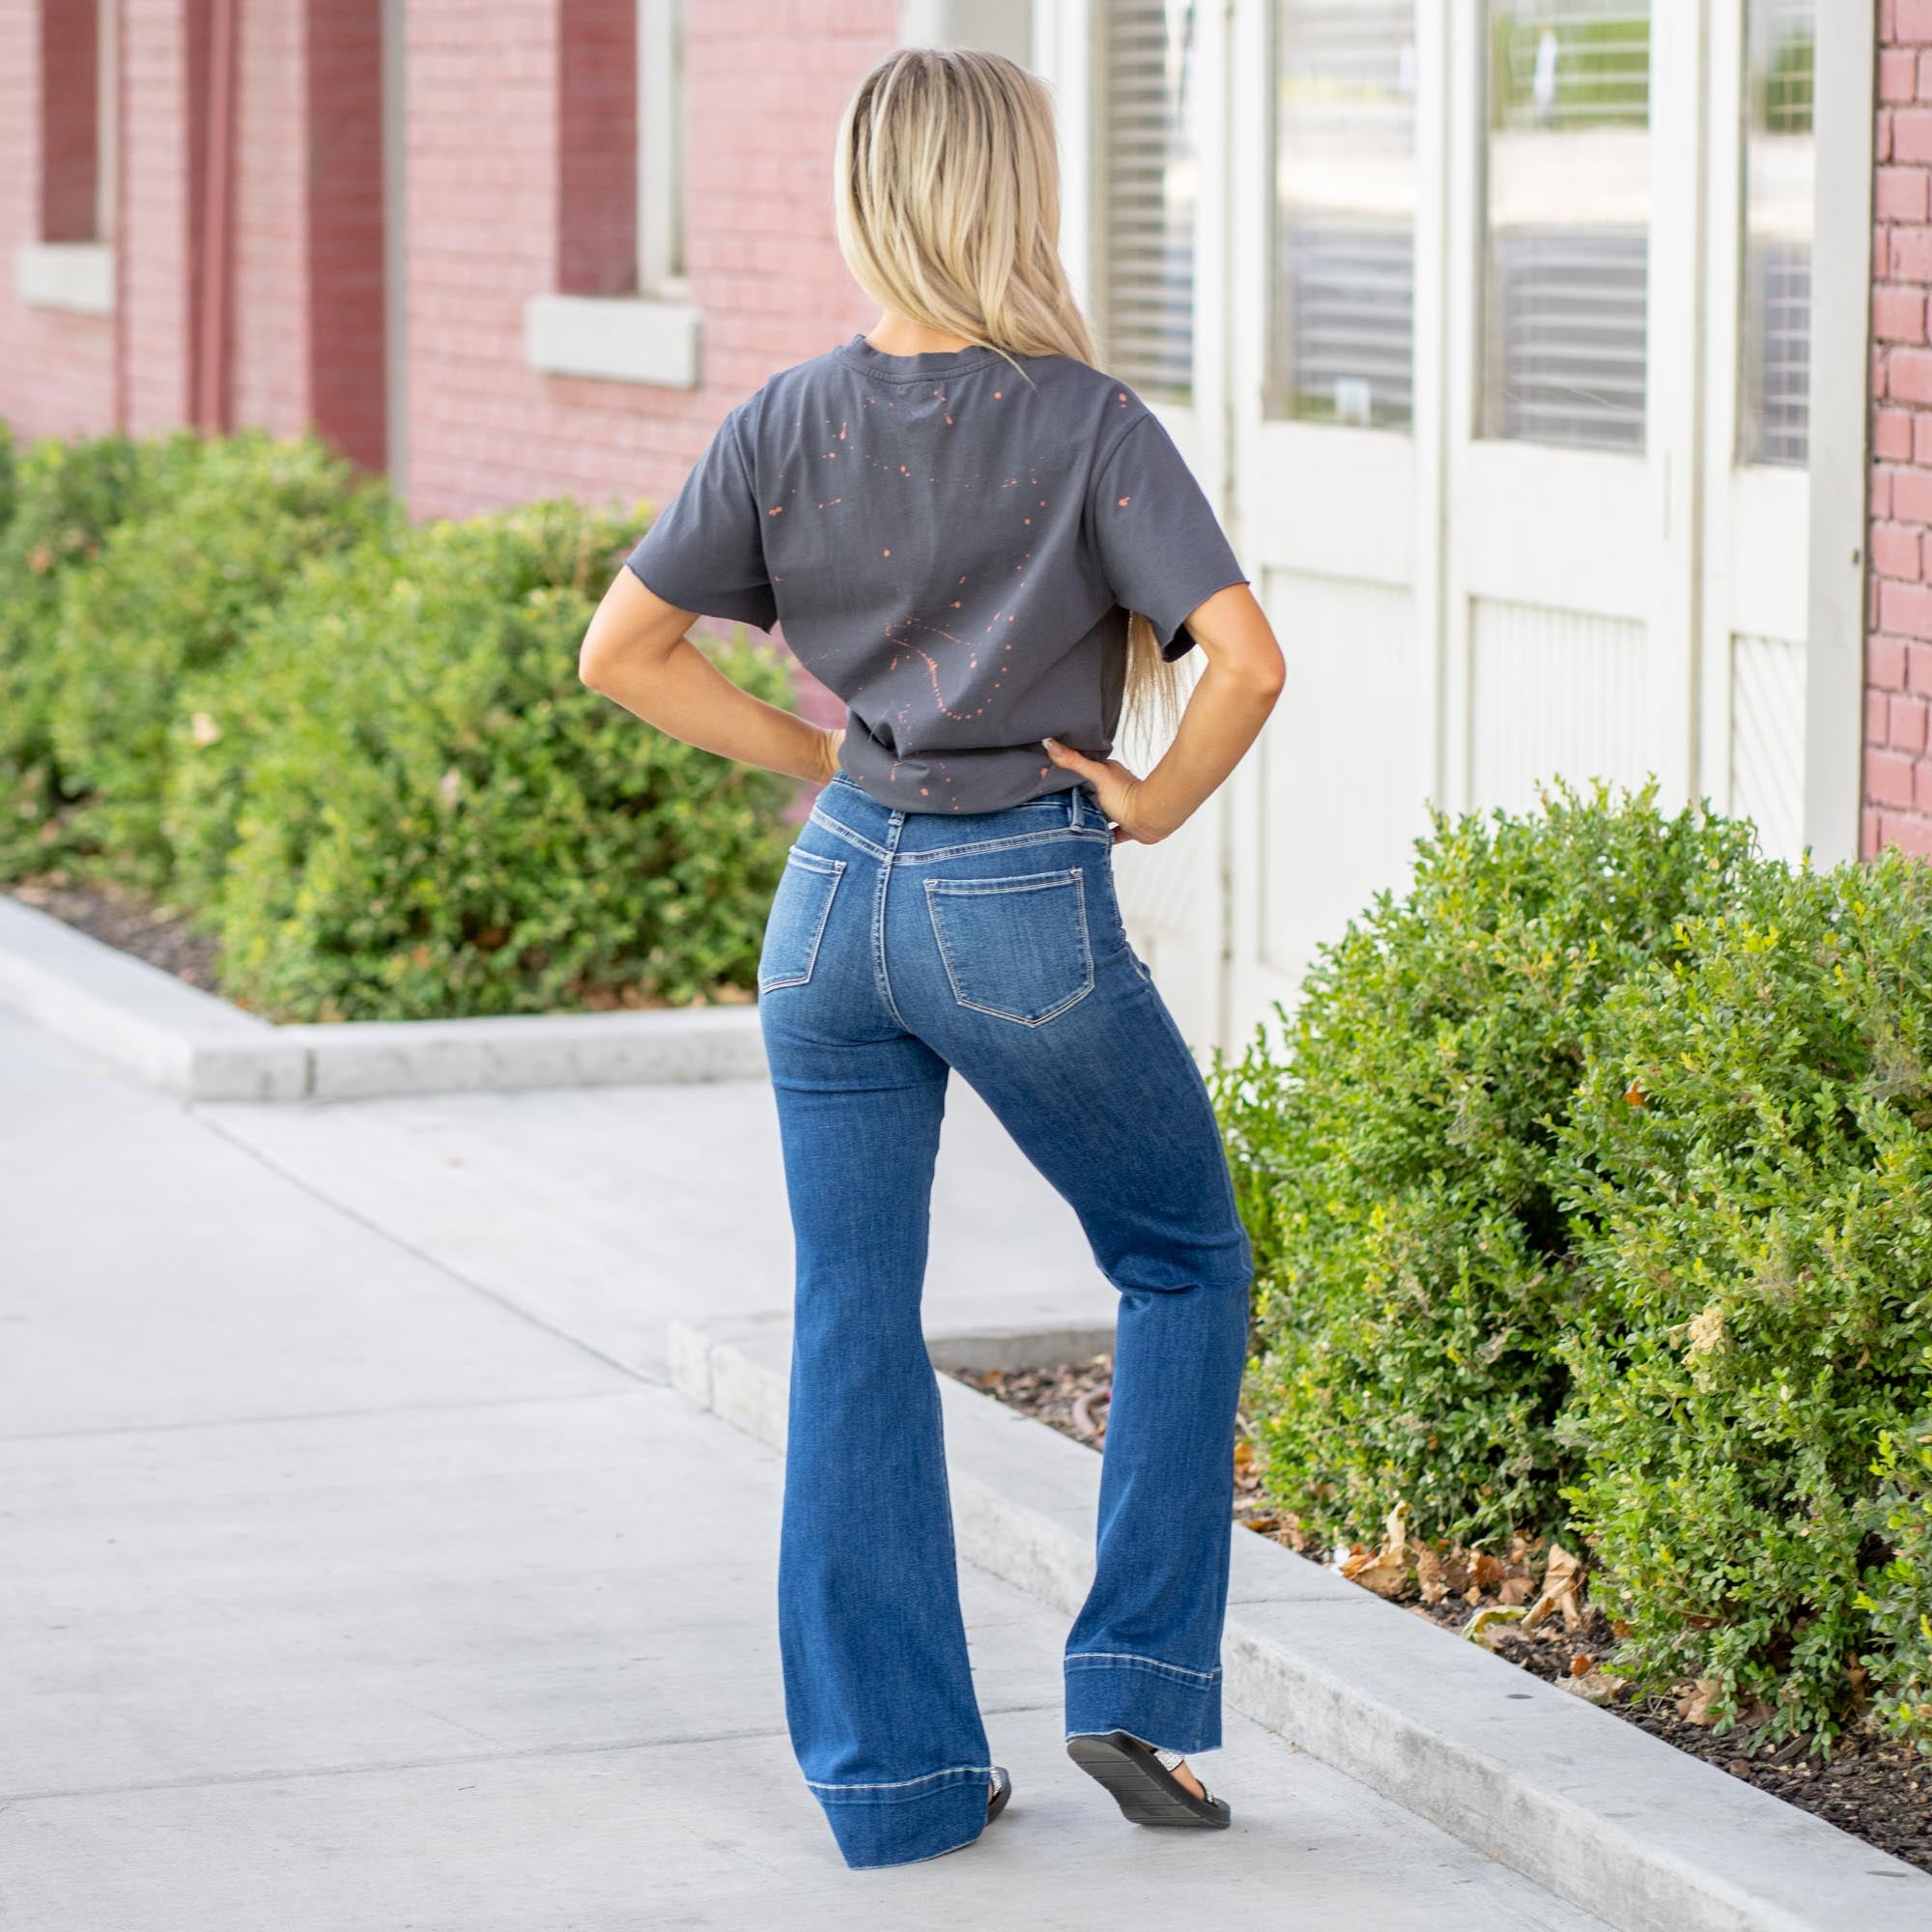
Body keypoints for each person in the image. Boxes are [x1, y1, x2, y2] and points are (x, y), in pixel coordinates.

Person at [578, 44, 1286, 1870]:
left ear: (867, 197)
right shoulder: (1089, 424)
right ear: (1018, 194)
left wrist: (821, 757)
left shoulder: (783, 419)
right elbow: (1249, 662)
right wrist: (1152, 803)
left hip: (830, 913)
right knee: (1184, 1260)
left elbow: (621, 653)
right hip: (1014, 906)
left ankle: (895, 1785)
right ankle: (1134, 1681)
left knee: (850, 1320)